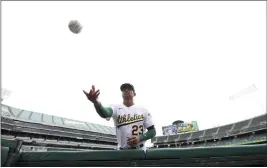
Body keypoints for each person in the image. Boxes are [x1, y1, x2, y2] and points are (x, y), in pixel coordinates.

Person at [83, 83, 156, 150]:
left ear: (134, 93)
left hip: (140, 150)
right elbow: (105, 113)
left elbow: (152, 131)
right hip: (122, 151)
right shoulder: (115, 108)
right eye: (123, 89)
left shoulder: (143, 110)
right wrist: (96, 102)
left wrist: (140, 138)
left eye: (129, 89)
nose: (126, 90)